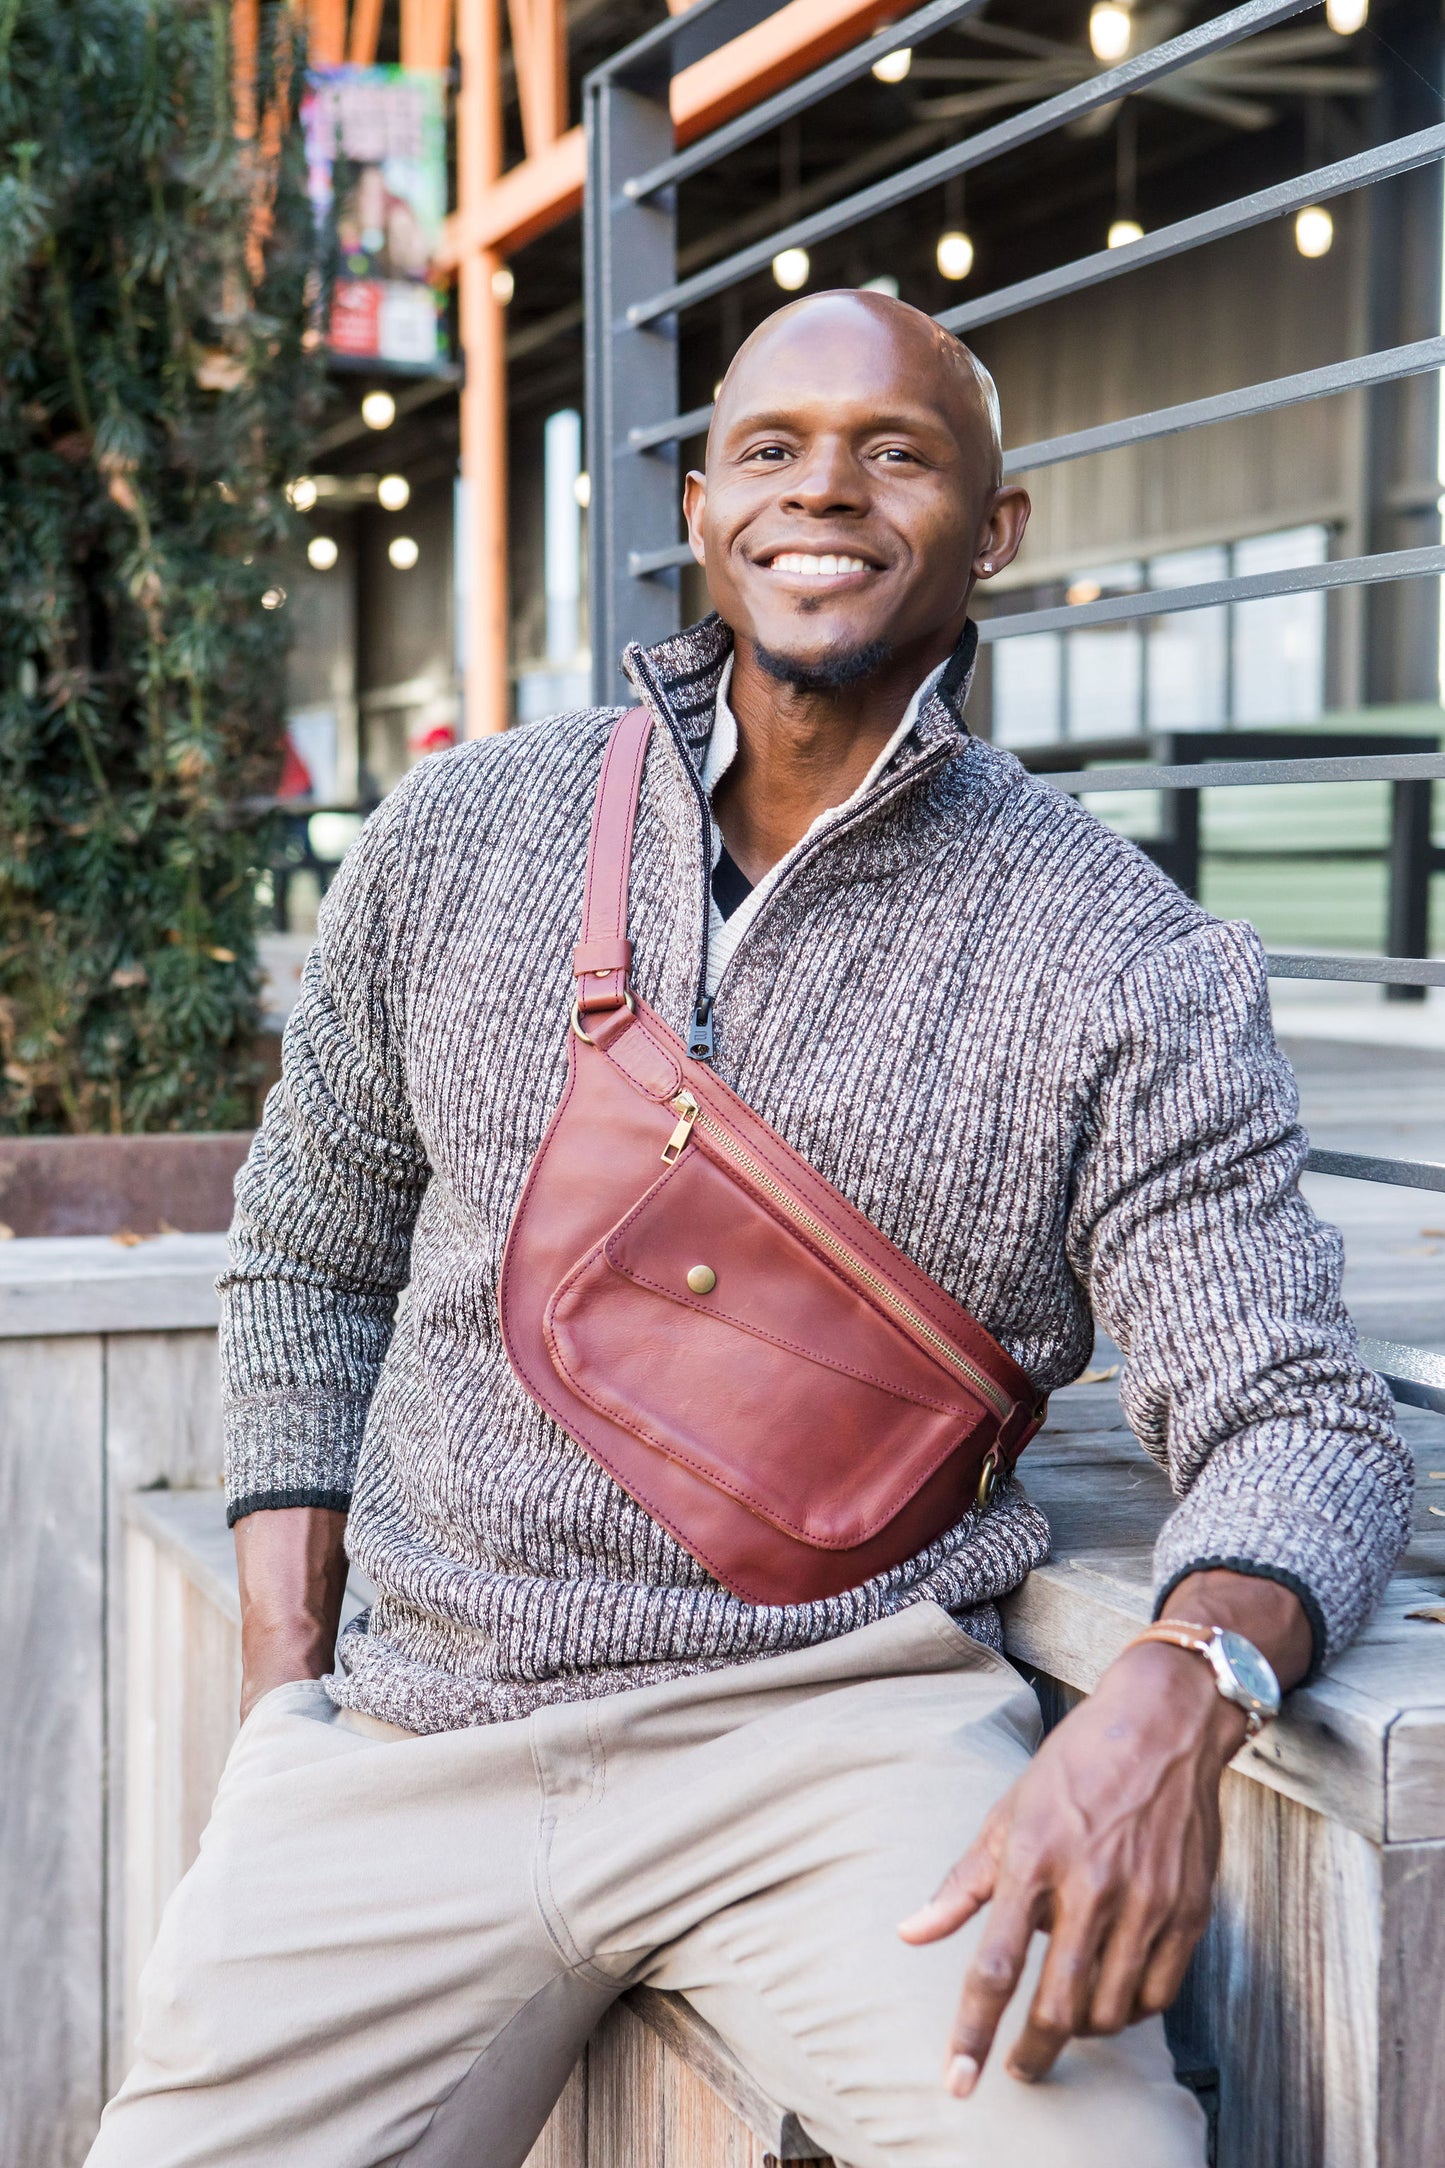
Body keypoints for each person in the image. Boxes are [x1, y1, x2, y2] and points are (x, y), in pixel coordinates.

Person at [87, 292, 1410, 2168]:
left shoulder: (1117, 953)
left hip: (833, 1737)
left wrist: (1183, 1687)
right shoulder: (462, 832)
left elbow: (1297, 1414)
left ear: (995, 527)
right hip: (409, 1731)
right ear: (703, 507)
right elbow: (310, 1245)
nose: (829, 493)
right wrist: (288, 1700)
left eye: (897, 451)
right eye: (775, 449)